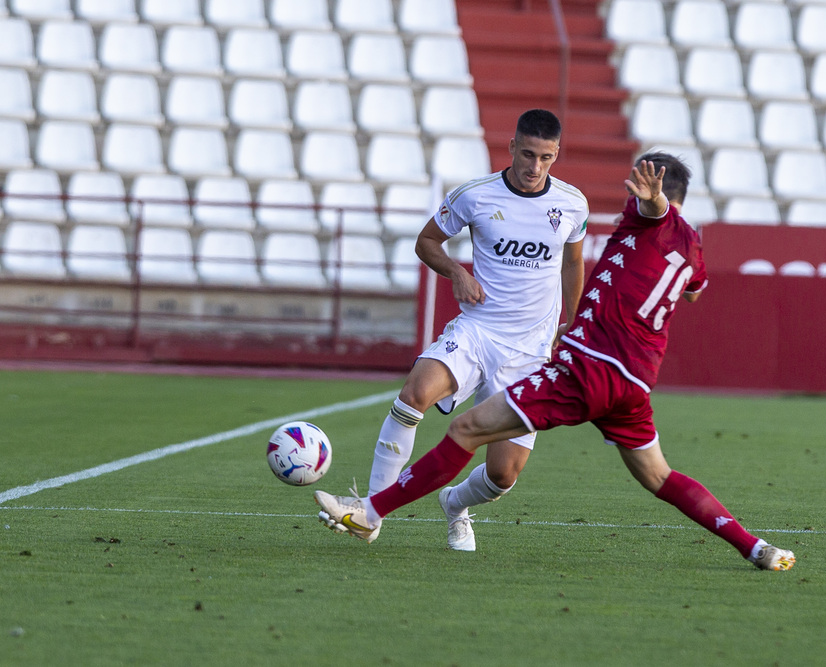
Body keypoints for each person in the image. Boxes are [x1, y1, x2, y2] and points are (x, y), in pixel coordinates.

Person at [316, 152, 796, 571]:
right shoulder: (693, 247)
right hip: (633, 385)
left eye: (638, 186)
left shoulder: (647, 216)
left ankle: (370, 513)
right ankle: (754, 547)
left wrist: (655, 204)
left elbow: (654, 210)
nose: (631, 194)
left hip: (586, 370)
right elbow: (693, 291)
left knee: (465, 432)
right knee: (659, 476)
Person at [362, 109, 589, 550]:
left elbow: (573, 261)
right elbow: (426, 242)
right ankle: (369, 512)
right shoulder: (475, 195)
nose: (534, 167)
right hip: (478, 331)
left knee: (503, 474)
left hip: (529, 351)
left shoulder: (572, 203)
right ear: (511, 147)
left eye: (545, 158)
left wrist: (574, 322)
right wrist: (457, 273)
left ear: (556, 154)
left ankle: (455, 505)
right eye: (527, 154)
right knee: (414, 394)